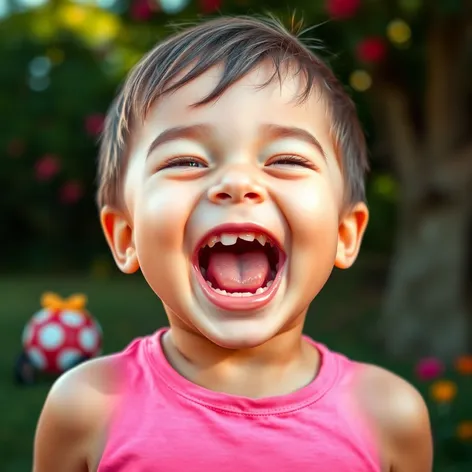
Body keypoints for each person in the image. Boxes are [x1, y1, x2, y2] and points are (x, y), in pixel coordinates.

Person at [33, 15, 433, 472]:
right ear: (126, 237)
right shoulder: (86, 408)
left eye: (285, 159)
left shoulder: (388, 416)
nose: (238, 183)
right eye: (186, 160)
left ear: (345, 234)